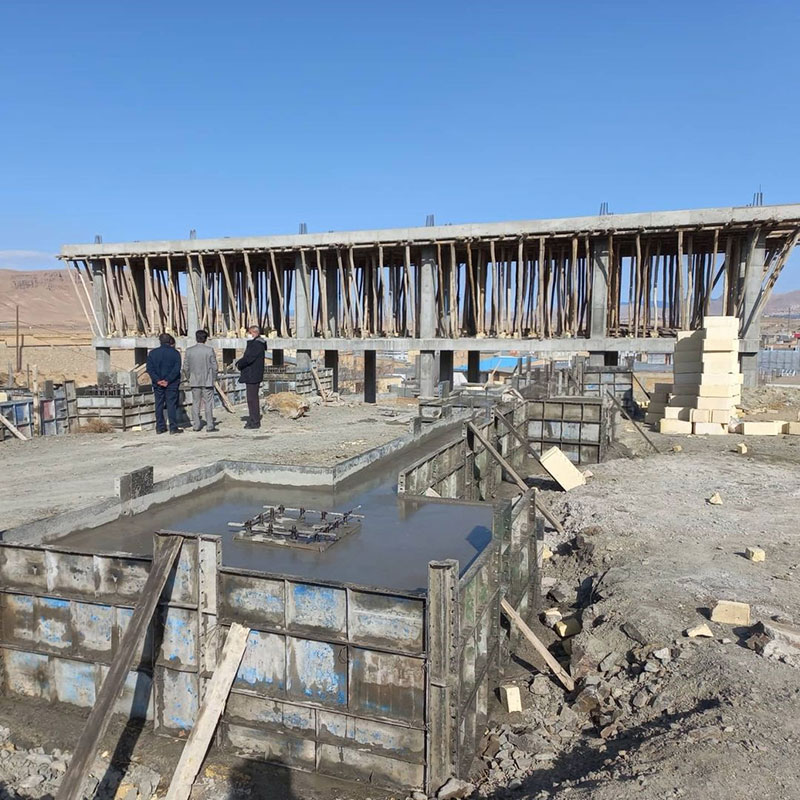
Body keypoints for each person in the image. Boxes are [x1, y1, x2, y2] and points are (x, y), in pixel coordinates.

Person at [146, 332, 183, 434]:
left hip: (157, 383)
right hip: (171, 383)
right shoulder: (175, 353)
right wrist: (168, 380)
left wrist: (158, 380)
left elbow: (150, 369)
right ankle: (173, 427)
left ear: (160, 341)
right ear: (170, 341)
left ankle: (160, 427)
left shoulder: (152, 353)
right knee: (171, 405)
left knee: (159, 405)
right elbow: (176, 369)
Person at [182, 329, 218, 432]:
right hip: (207, 380)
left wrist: (189, 377)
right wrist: (214, 378)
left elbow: (185, 367)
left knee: (195, 403)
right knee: (208, 403)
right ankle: (210, 425)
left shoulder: (189, 350)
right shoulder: (209, 350)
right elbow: (215, 366)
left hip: (194, 380)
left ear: (196, 338)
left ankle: (196, 425)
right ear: (206, 339)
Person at [236, 325, 266, 429]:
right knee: (252, 398)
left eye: (250, 333)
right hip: (253, 374)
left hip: (252, 375)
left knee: (252, 399)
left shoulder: (256, 345)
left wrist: (239, 364)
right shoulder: (257, 344)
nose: (248, 335)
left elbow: (249, 358)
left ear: (254, 333)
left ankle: (255, 421)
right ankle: (253, 419)